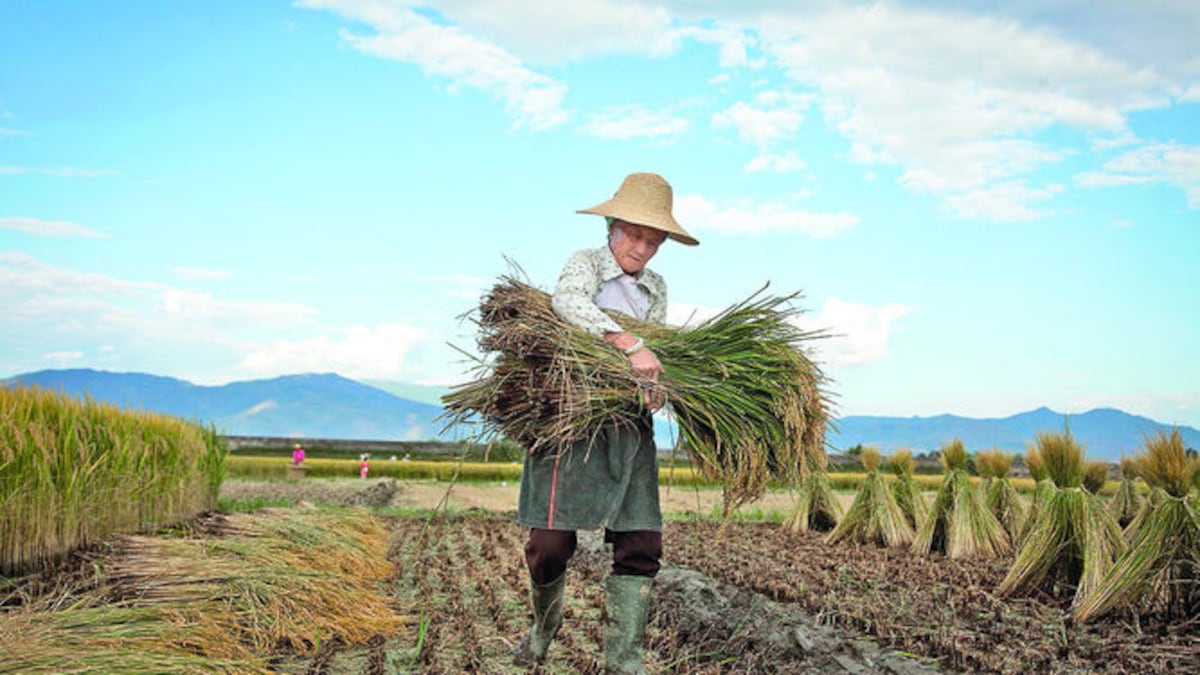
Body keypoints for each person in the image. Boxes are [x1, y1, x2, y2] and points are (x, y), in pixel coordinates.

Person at [513, 172, 699, 673]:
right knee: (549, 546)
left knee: (642, 543)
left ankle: (623, 662)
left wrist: (655, 386)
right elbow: (567, 303)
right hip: (569, 417)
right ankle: (542, 629)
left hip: (625, 424)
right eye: (634, 235)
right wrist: (628, 343)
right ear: (612, 227)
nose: (641, 249)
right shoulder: (586, 264)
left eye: (653, 241)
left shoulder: (656, 287)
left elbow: (656, 351)